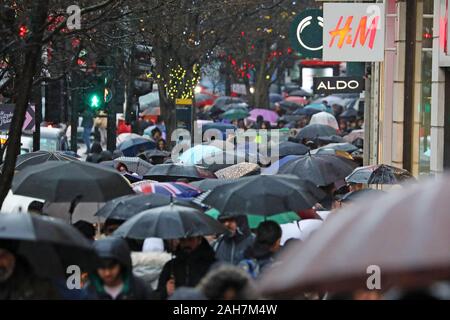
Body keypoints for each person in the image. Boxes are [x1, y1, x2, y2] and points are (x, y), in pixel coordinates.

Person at [85, 237, 155, 300]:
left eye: (112, 267)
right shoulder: (88, 291)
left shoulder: (140, 288)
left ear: (122, 265)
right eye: (102, 267)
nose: (107, 273)